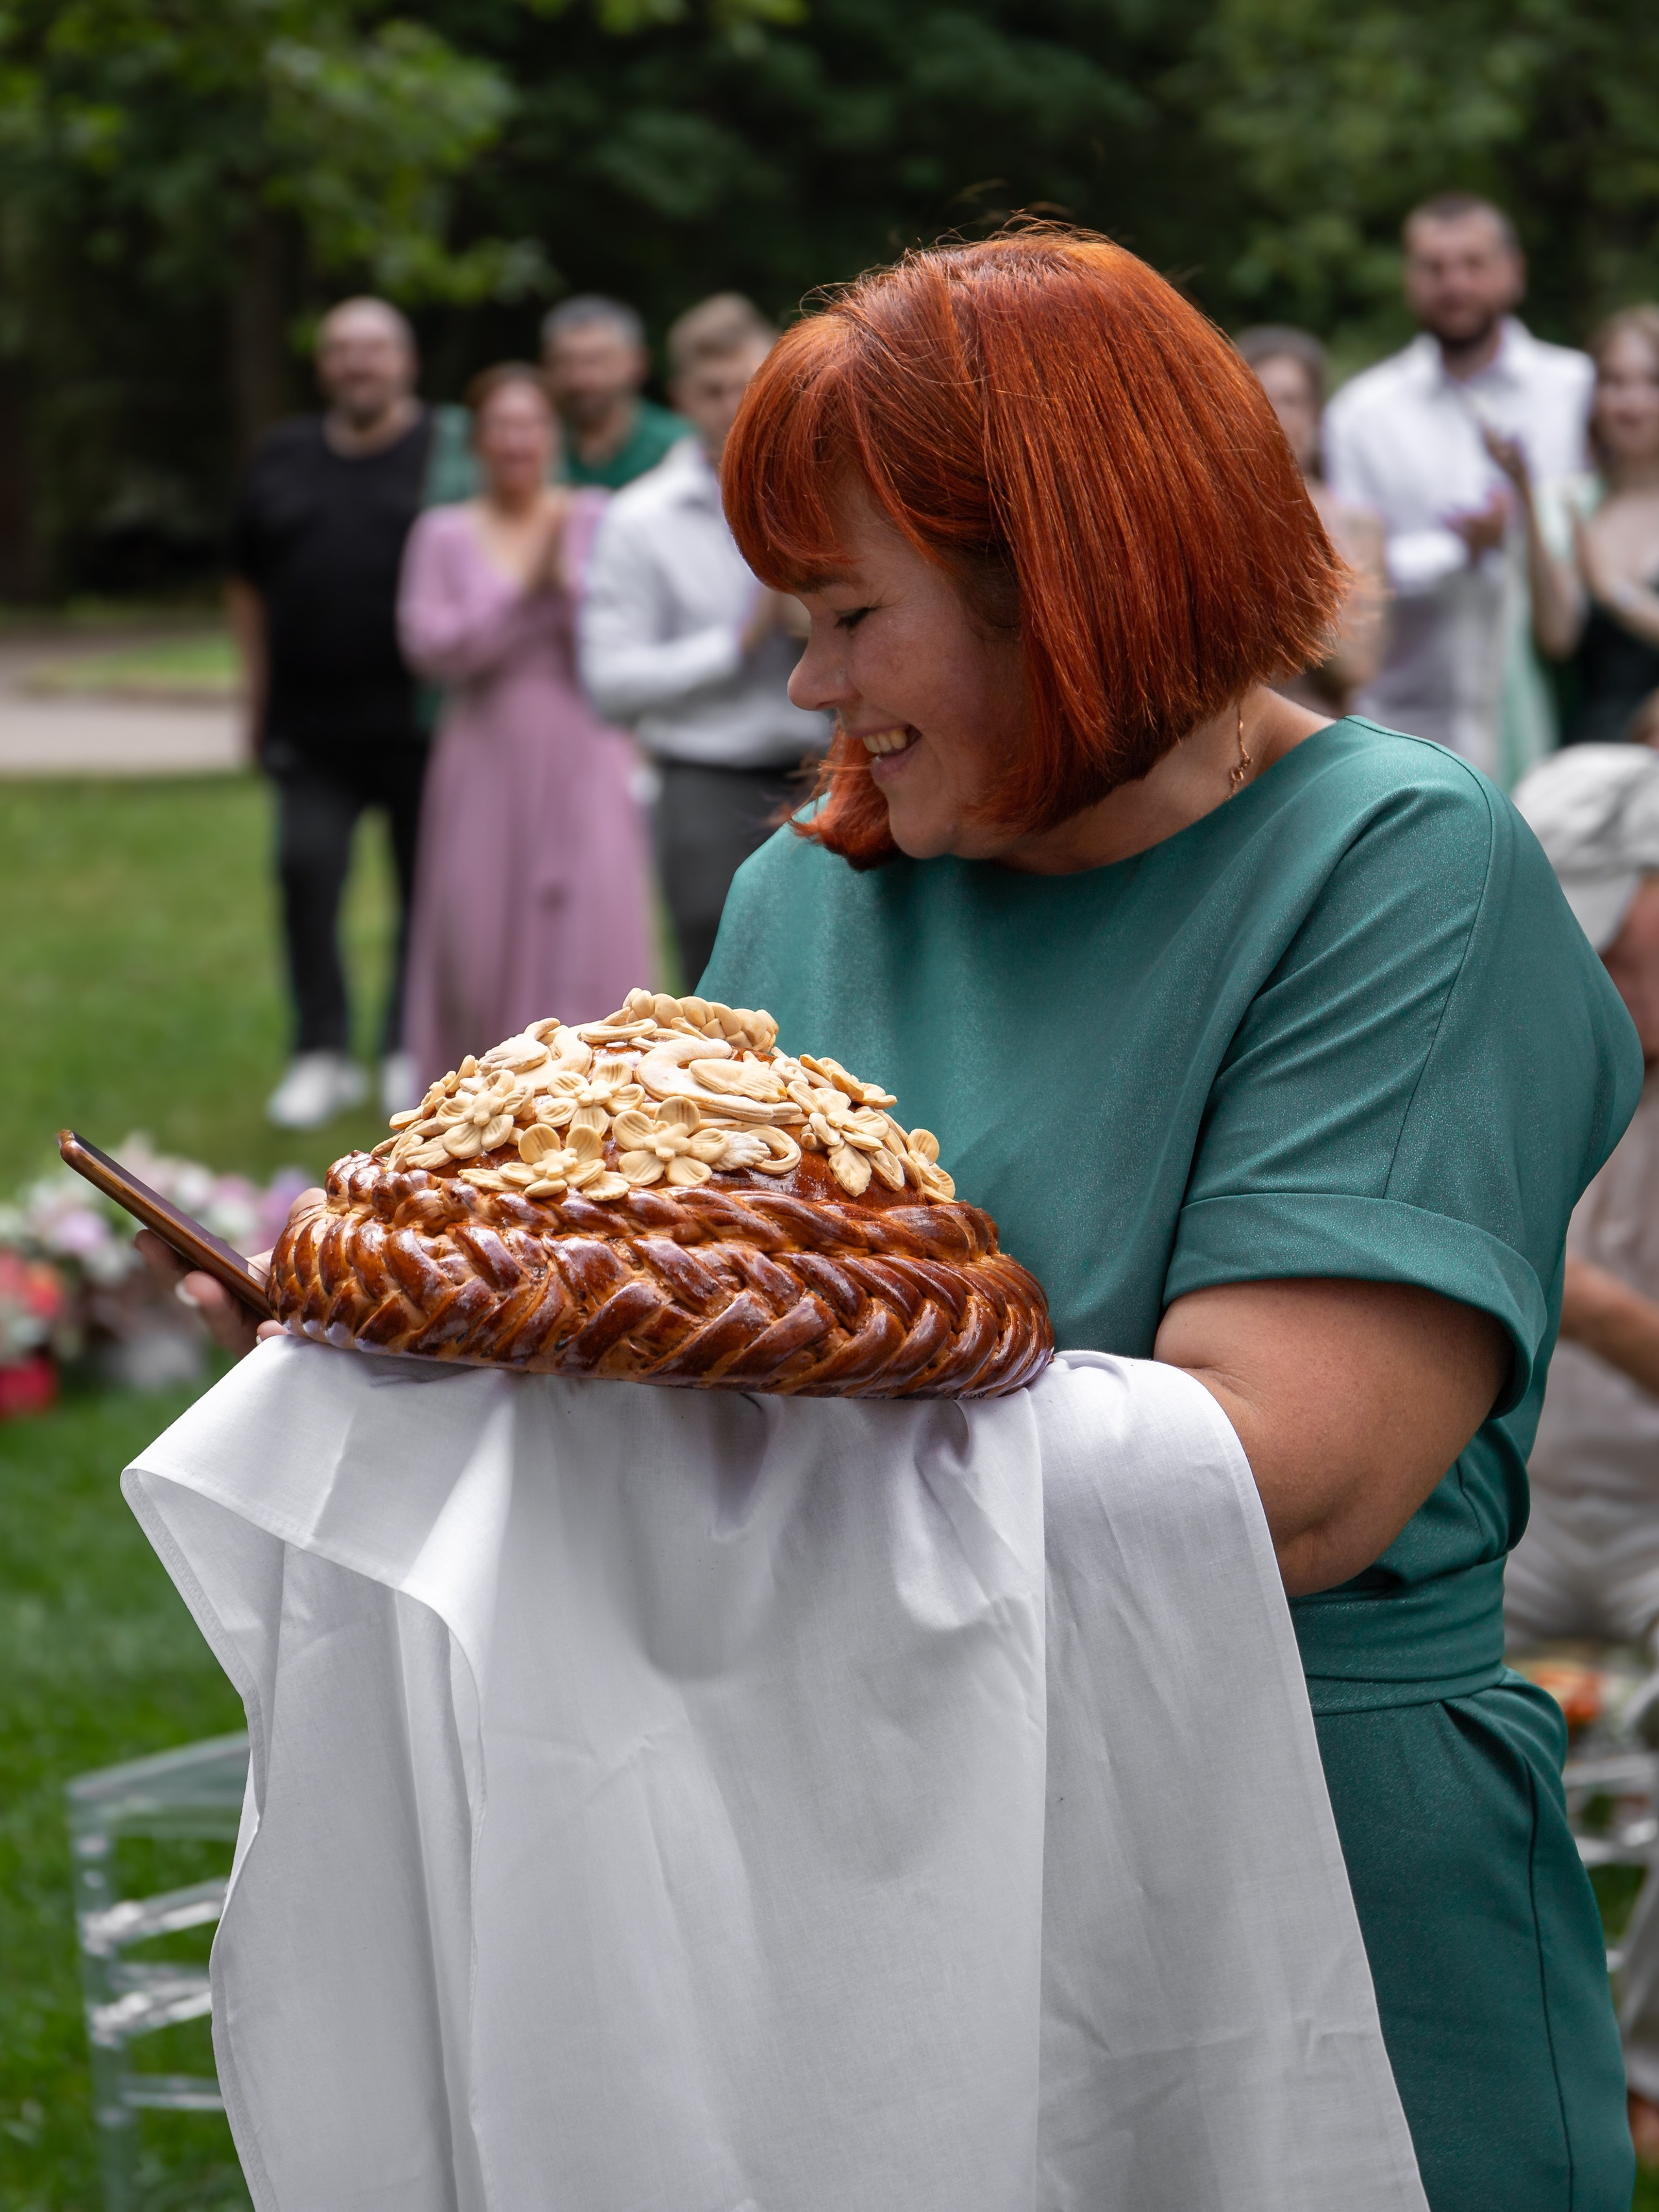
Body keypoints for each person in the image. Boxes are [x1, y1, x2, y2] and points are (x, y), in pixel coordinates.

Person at [694, 228, 1634, 2208]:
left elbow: (1277, 1486)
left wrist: (691, 1420)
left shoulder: (1392, 866)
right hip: (885, 1853)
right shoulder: (805, 892)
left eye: (853, 611)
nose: (809, 684)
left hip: (1297, 1879)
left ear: (1067, 587)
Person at [1505, 743, 1659, 2167]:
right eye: (1595, 939)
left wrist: (1598, 1310)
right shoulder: (1489, 1063)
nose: (1621, 978)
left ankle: (1643, 2068)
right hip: (1495, 1509)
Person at [397, 365, 652, 1083]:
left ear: (553, 435)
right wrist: (524, 584)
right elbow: (433, 649)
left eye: (532, 424)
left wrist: (566, 585)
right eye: (502, 425)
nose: (518, 441)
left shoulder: (594, 514)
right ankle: (476, 1098)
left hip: (583, 748)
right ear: (477, 440)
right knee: (475, 932)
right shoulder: (442, 533)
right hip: (483, 754)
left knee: (587, 926)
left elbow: (611, 637)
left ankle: (597, 1099)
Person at [230, 297, 443, 1128]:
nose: (359, 363)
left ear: (407, 362)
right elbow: (244, 581)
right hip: (309, 727)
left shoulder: (444, 453)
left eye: (376, 349)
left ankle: (403, 1047)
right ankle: (320, 1050)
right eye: (343, 349)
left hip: (423, 724)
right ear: (324, 366)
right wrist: (252, 697)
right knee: (305, 874)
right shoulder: (280, 455)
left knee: (424, 891)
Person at [579, 293, 830, 988]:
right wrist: (736, 643)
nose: (730, 405)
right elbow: (610, 685)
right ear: (679, 398)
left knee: (841, 965)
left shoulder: (831, 491)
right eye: (711, 390)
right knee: (717, 975)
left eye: (746, 385)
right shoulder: (638, 518)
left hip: (838, 756)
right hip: (705, 772)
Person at [1324, 193, 1594, 786]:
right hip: (1406, 733)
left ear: (1513, 272)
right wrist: (1457, 552)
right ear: (1408, 279)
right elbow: (1349, 578)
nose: (1455, 284)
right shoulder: (1363, 413)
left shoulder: (1579, 389)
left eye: (1473, 264)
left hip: (1561, 727)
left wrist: (1518, 537)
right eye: (1434, 267)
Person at [1487, 307, 1659, 747]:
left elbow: (1610, 595)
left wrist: (1616, 594)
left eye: (1651, 382)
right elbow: (1557, 638)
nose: (1632, 402)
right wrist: (1525, 494)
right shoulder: (1570, 507)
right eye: (1615, 382)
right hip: (1585, 765)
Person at [1235, 325, 1389, 716]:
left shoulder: (1357, 526)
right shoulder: (1216, 518)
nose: (1277, 417)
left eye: (1292, 400)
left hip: (1321, 739)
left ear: (1316, 414)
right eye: (1262, 398)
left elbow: (1356, 666)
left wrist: (1288, 538)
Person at [540, 296, 690, 491]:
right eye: (564, 362)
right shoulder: (526, 444)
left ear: (638, 363)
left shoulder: (678, 445)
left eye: (596, 361)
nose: (580, 378)